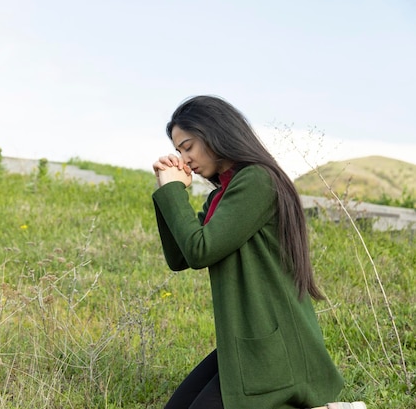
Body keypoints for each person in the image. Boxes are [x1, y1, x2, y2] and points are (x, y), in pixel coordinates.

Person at [151, 96, 364, 409]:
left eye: (189, 146)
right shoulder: (220, 196)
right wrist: (166, 188)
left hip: (277, 346)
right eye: (179, 150)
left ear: (215, 133)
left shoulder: (257, 180)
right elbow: (181, 257)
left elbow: (200, 250)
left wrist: (173, 191)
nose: (185, 159)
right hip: (248, 343)